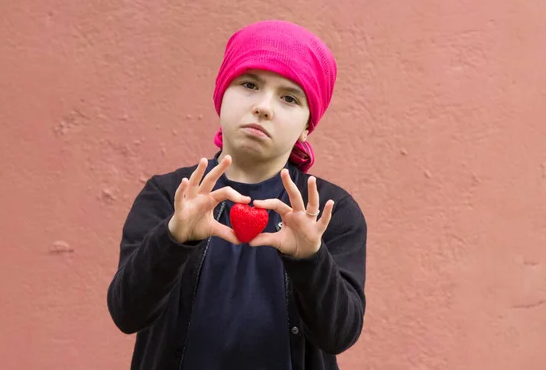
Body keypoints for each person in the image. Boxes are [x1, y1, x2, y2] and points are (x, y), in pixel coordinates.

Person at [107, 20, 367, 370]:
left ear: (308, 124)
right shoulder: (171, 194)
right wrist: (174, 238)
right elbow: (127, 313)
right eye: (249, 84)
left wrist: (310, 258)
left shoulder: (327, 211)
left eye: (289, 97)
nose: (263, 106)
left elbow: (339, 334)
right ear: (221, 93)